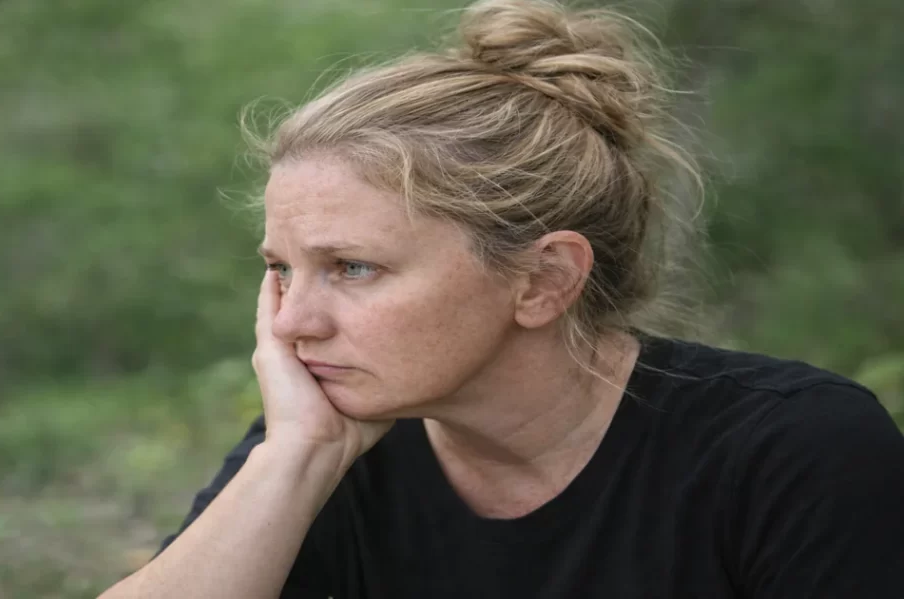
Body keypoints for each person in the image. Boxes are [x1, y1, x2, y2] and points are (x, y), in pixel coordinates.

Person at [98, 0, 904, 596]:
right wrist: (295, 458)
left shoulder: (792, 453)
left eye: (352, 267)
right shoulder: (324, 449)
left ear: (545, 279)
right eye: (281, 268)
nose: (292, 321)